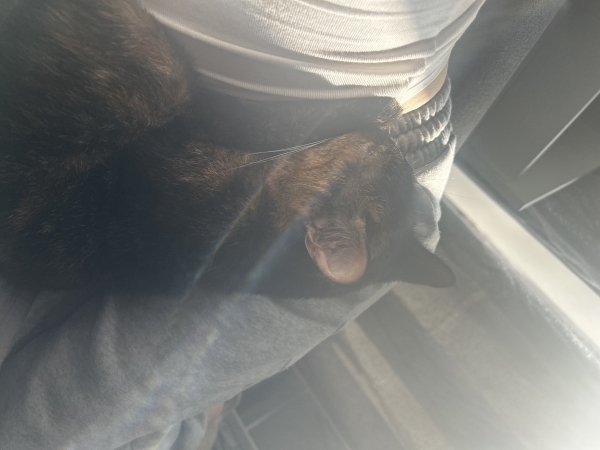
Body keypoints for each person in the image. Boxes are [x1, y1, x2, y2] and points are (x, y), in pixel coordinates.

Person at [0, 1, 484, 448]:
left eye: (369, 154)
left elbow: (74, 410)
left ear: (318, 229)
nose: (378, 144)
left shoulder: (229, 203)